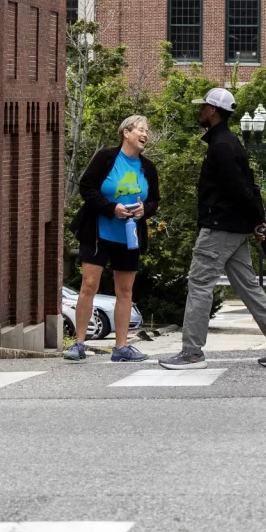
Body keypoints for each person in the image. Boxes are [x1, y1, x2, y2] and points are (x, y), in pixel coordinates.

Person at [159, 88, 266, 370]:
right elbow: (250, 187)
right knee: (248, 287)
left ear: (213, 111)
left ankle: (192, 352)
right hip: (234, 228)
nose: (200, 111)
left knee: (199, 284)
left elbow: (240, 190)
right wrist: (257, 221)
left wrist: (257, 220)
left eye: (203, 107)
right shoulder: (232, 142)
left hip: (219, 228)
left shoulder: (221, 147)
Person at [67, 115, 160, 363]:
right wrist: (111, 208)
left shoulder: (148, 167)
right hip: (99, 232)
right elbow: (87, 187)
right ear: (126, 132)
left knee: (125, 290)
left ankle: (121, 348)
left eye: (147, 131)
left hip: (129, 236)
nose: (145, 135)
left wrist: (144, 210)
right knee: (89, 286)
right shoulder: (106, 158)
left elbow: (155, 201)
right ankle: (78, 343)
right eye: (141, 130)